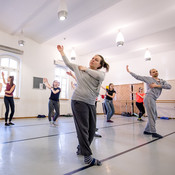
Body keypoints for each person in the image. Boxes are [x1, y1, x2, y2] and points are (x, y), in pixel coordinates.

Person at [57, 45, 109, 166]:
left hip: (91, 103)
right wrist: (62, 52)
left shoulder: (99, 74)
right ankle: (87, 157)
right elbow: (68, 63)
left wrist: (85, 69)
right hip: (78, 101)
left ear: (100, 65)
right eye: (92, 58)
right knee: (83, 129)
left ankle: (81, 149)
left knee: (91, 130)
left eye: (96, 60)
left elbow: (99, 76)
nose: (93, 60)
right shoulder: (79, 68)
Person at [126, 65, 171, 138]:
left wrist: (157, 86)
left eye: (156, 71)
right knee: (151, 115)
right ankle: (153, 132)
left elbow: (169, 86)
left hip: (153, 98)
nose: (155, 72)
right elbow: (138, 77)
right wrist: (129, 72)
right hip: (149, 97)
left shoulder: (162, 81)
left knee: (155, 116)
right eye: (153, 72)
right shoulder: (148, 79)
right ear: (150, 74)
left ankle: (147, 130)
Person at [67, 71, 102, 138]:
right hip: (86, 102)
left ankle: (92, 131)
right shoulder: (84, 83)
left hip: (93, 101)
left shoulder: (95, 80)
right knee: (86, 118)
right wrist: (72, 75)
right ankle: (84, 133)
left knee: (92, 118)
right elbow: (78, 80)